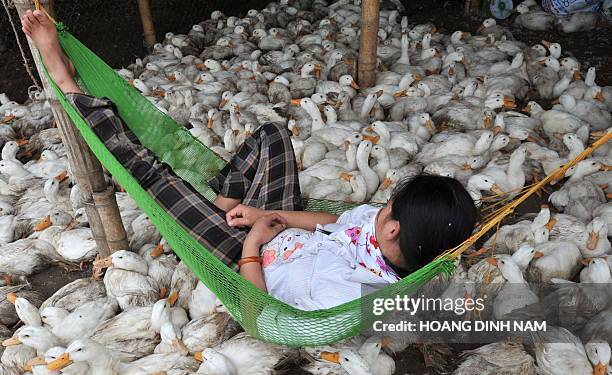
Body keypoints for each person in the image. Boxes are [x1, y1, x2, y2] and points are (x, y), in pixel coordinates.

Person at [21, 10, 478, 310]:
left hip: (240, 255)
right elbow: (333, 220)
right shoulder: (385, 237)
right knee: (274, 134)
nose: (377, 211)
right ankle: (225, 199)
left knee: (154, 178)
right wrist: (269, 213)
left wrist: (255, 241)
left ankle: (67, 81)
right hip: (273, 227)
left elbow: (263, 314)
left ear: (394, 227)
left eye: (386, 210)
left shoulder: (345, 294)